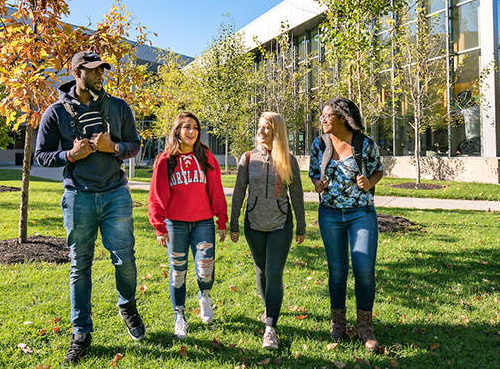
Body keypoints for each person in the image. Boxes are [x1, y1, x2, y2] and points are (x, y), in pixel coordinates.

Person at [35, 51, 145, 365]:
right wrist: (70, 155)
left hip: (115, 195)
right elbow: (41, 155)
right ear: (77, 72)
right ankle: (81, 332)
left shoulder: (119, 107)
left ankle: (127, 305)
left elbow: (134, 145)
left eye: (102, 71)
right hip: (78, 197)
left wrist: (116, 148)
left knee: (125, 259)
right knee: (79, 265)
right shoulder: (55, 113)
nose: (100, 76)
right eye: (94, 71)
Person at [308, 97, 384, 352]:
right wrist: (317, 184)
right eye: (322, 116)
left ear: (343, 117)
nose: (323, 119)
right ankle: (338, 324)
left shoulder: (365, 143)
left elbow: (378, 170)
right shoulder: (319, 144)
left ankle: (365, 327)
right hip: (329, 214)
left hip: (361, 213)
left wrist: (370, 183)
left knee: (363, 268)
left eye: (328, 115)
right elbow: (313, 173)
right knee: (337, 271)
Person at [148, 112, 228, 340]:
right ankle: (179, 316)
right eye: (186, 127)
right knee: (178, 272)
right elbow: (156, 194)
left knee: (206, 267)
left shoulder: (206, 157)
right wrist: (159, 225)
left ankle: (205, 296)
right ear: (177, 131)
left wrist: (222, 218)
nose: (192, 132)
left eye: (195, 127)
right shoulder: (165, 160)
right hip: (175, 224)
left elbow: (216, 189)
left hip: (203, 222)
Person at [229, 112, 306, 349]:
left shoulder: (289, 160)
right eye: (260, 127)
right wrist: (234, 222)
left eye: (267, 128)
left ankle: (270, 329)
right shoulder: (248, 157)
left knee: (274, 273)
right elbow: (239, 191)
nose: (261, 131)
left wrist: (301, 225)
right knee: (261, 271)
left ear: (277, 132)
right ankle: (268, 308)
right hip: (254, 224)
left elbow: (297, 195)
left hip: (281, 225)